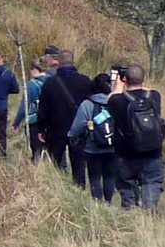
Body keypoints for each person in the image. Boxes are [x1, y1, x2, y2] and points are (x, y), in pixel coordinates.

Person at [103, 63, 165, 209]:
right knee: (152, 183)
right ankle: (148, 215)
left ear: (125, 79)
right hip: (153, 152)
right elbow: (145, 90)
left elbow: (110, 99)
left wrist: (118, 85)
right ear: (144, 79)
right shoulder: (154, 96)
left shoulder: (116, 101)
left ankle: (131, 217)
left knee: (127, 187)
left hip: (126, 154)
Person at [35, 47, 89, 175]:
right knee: (79, 164)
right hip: (79, 129)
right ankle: (79, 187)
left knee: (56, 162)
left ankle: (58, 186)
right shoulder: (85, 81)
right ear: (73, 61)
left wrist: (42, 128)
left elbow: (43, 109)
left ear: (59, 62)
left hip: (56, 128)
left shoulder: (50, 83)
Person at [69, 72, 119, 201]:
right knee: (109, 176)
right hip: (113, 146)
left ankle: (97, 203)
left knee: (94, 177)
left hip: (93, 147)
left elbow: (77, 127)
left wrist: (71, 136)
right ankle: (109, 202)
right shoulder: (116, 102)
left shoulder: (87, 104)